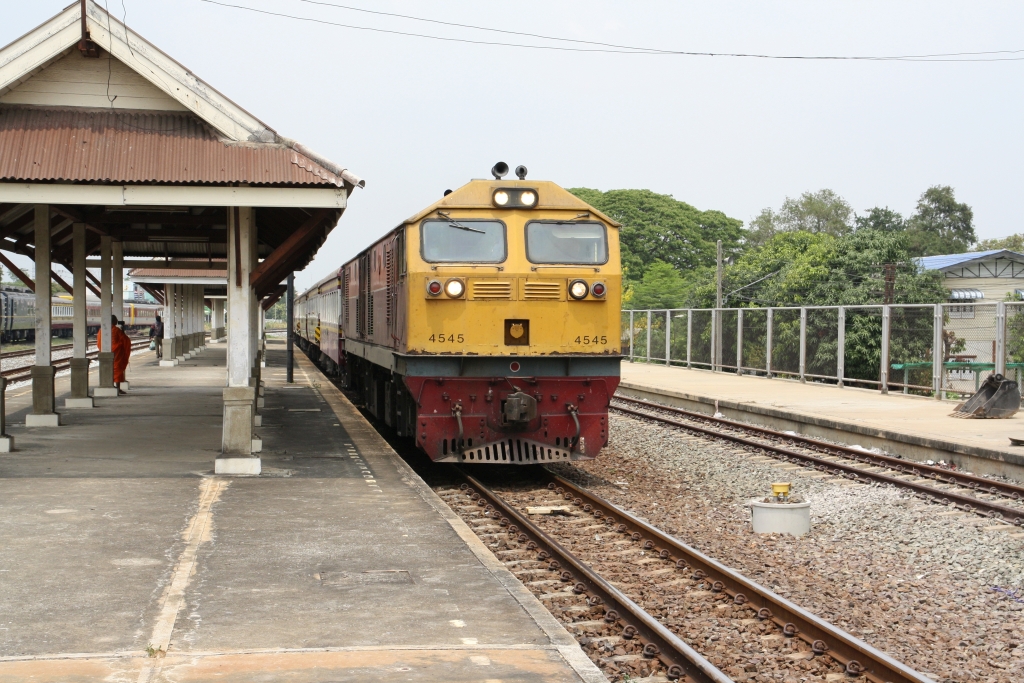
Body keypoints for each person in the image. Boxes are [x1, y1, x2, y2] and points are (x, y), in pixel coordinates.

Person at [97, 315, 132, 395]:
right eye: (116, 320)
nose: (117, 321)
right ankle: (118, 388)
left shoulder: (102, 330)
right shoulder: (117, 330)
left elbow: (99, 342)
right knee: (117, 370)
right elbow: (125, 340)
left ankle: (108, 385)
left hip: (106, 352)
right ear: (114, 321)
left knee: (108, 369)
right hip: (117, 354)